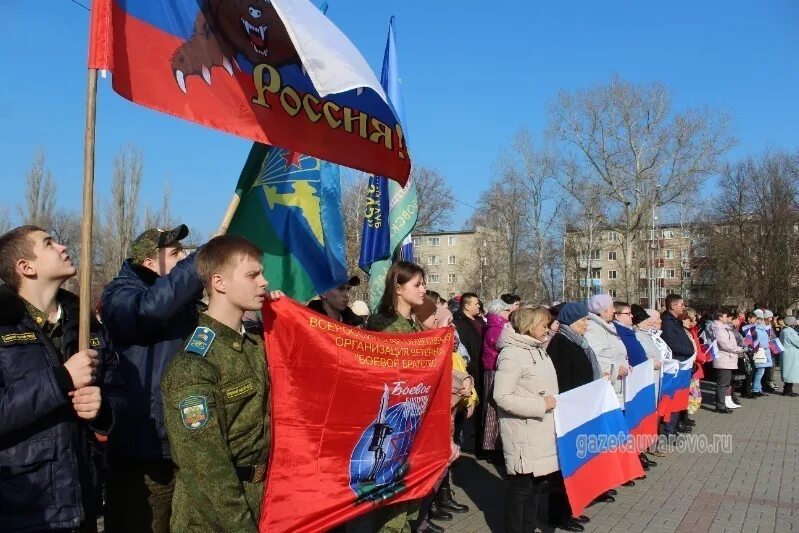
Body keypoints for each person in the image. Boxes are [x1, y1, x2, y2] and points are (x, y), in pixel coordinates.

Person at [0, 225, 124, 532]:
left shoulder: (86, 324)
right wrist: (61, 380)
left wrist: (103, 408)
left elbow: (120, 391)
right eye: (49, 243)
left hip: (84, 502)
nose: (63, 247)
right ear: (25, 267)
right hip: (25, 509)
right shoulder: (3, 326)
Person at [161, 235, 281, 531]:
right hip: (215, 519)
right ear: (220, 283)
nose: (264, 282)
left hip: (266, 502)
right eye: (253, 275)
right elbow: (206, 468)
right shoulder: (194, 365)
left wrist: (284, 319)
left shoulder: (256, 344)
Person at [100, 224, 203, 532]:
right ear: (148, 263)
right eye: (175, 254)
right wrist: (197, 264)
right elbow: (150, 311)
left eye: (184, 252)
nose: (184, 256)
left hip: (179, 442)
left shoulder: (184, 303)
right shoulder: (119, 294)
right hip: (141, 448)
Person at [364, 260, 427, 533]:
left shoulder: (419, 328)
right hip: (391, 427)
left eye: (424, 283)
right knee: (392, 511)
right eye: (418, 284)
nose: (424, 289)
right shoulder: (381, 326)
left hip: (416, 426)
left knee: (411, 504)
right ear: (398, 288)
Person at [493, 306, 568, 533]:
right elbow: (502, 396)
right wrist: (541, 405)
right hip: (523, 434)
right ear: (529, 325)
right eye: (543, 325)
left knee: (536, 488)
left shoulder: (538, 350)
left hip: (541, 432)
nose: (547, 329)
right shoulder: (512, 354)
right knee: (521, 491)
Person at [546, 302, 603, 526]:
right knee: (565, 466)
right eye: (583, 320)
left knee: (575, 464)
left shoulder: (579, 342)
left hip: (580, 410)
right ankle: (558, 514)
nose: (587, 324)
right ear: (571, 321)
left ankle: (571, 509)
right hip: (568, 412)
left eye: (587, 320)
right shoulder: (561, 343)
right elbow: (561, 380)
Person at [481, 298, 513, 460]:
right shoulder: (497, 327)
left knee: (494, 408)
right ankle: (491, 447)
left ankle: (492, 446)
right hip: (494, 369)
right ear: (500, 312)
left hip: (494, 368)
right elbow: (502, 345)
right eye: (507, 310)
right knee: (493, 409)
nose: (510, 313)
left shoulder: (496, 325)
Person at [660, 294, 695, 434]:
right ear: (673, 306)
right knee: (673, 398)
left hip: (683, 364)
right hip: (677, 364)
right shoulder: (668, 322)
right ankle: (669, 429)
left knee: (679, 398)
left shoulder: (676, 321)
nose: (683, 307)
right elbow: (672, 343)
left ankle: (673, 426)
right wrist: (688, 351)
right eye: (681, 304)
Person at [584, 294, 627, 403]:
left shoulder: (606, 327)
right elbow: (596, 357)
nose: (614, 311)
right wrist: (616, 371)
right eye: (611, 307)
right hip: (609, 388)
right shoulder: (592, 328)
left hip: (617, 386)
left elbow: (613, 352)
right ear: (603, 311)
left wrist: (625, 362)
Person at [711, 308, 745, 413]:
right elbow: (725, 344)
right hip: (724, 359)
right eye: (726, 316)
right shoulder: (718, 329)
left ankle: (722, 403)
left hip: (728, 358)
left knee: (725, 383)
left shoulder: (725, 328)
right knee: (722, 384)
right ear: (720, 317)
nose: (727, 318)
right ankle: (720, 405)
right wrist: (740, 349)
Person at [779, 316, 799, 397]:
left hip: (786, 354)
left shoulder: (784, 330)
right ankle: (788, 391)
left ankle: (787, 390)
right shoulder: (790, 331)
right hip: (791, 355)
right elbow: (797, 342)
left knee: (788, 373)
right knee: (790, 373)